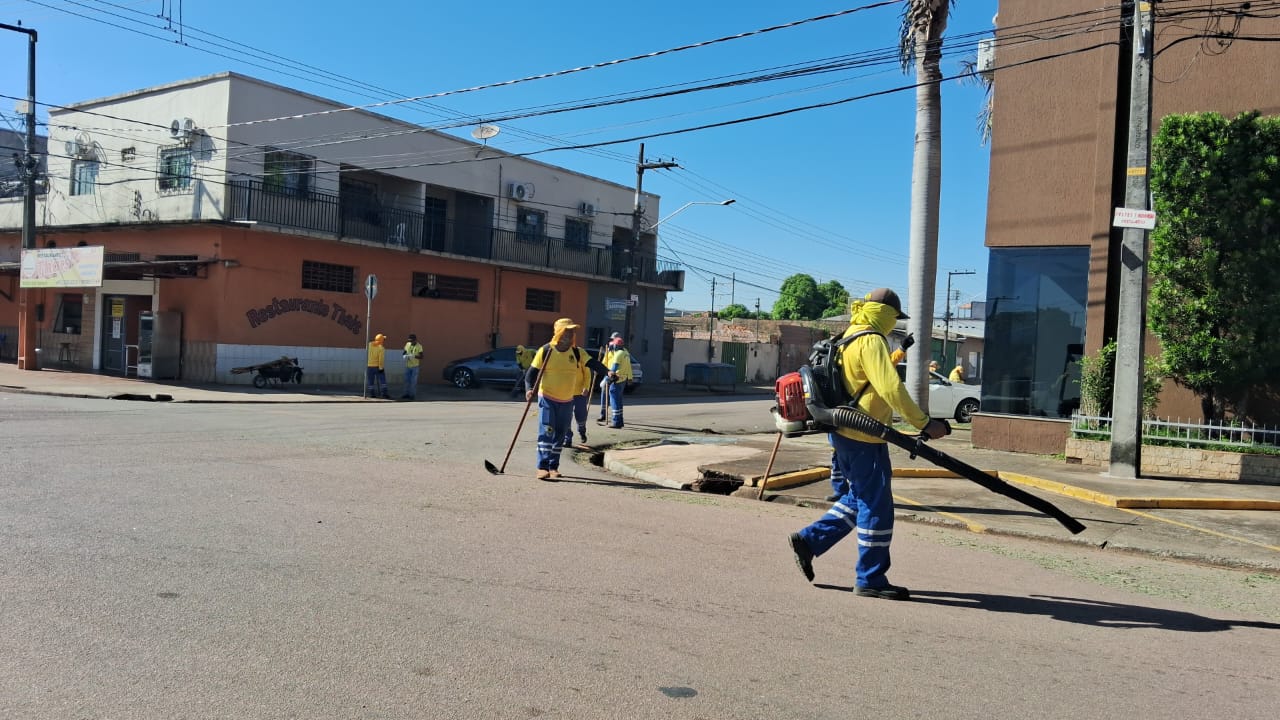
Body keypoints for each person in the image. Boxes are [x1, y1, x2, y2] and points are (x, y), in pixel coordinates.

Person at [788, 288, 948, 600]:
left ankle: (809, 541)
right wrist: (925, 423)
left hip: (849, 433)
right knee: (877, 508)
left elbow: (869, 374)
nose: (894, 324)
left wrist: (899, 351)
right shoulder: (871, 339)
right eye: (895, 319)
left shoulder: (850, 335)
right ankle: (871, 578)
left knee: (859, 498)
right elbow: (890, 386)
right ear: (887, 315)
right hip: (863, 437)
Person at [826, 332, 913, 502]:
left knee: (839, 458)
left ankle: (844, 492)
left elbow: (889, 362)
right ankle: (842, 491)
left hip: (841, 418)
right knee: (840, 460)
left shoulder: (841, 353)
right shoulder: (857, 349)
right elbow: (889, 367)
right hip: (847, 419)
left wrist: (902, 348)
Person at [525, 318, 610, 481]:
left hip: (567, 400)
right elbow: (530, 375)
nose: (570, 335)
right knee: (547, 430)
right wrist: (529, 390)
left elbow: (593, 364)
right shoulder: (546, 350)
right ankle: (542, 467)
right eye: (567, 332)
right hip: (548, 397)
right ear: (558, 333)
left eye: (572, 332)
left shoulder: (577, 352)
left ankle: (553, 466)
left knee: (560, 433)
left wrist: (608, 372)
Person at [599, 336, 633, 429]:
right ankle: (620, 421)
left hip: (616, 380)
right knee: (619, 401)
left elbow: (613, 369)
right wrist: (630, 378)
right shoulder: (626, 353)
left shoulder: (618, 354)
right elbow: (629, 366)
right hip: (622, 379)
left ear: (615, 346)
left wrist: (606, 380)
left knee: (614, 401)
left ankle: (616, 422)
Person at [596, 332, 621, 421]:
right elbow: (604, 362)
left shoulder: (621, 351)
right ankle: (603, 414)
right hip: (608, 374)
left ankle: (617, 418)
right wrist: (599, 369)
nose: (611, 341)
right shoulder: (609, 350)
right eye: (611, 339)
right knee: (604, 394)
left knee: (615, 397)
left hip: (616, 376)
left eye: (613, 339)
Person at [401, 333, 424, 400]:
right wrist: (404, 356)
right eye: (410, 341)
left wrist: (414, 356)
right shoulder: (407, 344)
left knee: (413, 382)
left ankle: (412, 395)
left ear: (415, 340)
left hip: (415, 367)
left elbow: (422, 356)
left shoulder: (419, 346)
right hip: (408, 366)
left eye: (412, 341)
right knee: (406, 381)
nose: (411, 342)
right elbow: (404, 352)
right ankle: (406, 394)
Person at [366, 333, 389, 399]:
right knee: (382, 381)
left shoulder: (370, 345)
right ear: (382, 341)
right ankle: (384, 394)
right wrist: (381, 368)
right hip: (377, 366)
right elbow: (381, 359)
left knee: (371, 381)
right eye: (383, 340)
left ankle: (372, 394)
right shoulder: (381, 348)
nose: (384, 341)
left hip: (369, 366)